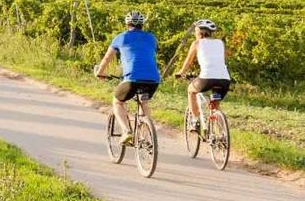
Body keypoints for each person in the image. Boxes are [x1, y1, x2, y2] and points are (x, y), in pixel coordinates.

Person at [95, 11, 161, 145]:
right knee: (144, 102)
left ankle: (126, 131)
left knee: (117, 102)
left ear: (127, 24)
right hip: (153, 79)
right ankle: (145, 133)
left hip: (132, 78)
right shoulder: (151, 38)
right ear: (142, 24)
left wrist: (99, 72)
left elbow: (108, 57)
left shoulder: (121, 38)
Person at [175, 19, 231, 132]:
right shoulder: (220, 43)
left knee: (191, 90)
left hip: (206, 78)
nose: (195, 34)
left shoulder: (197, 43)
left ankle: (195, 121)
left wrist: (181, 73)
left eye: (195, 31)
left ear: (200, 32)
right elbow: (221, 60)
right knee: (215, 107)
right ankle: (220, 136)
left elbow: (188, 62)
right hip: (224, 79)